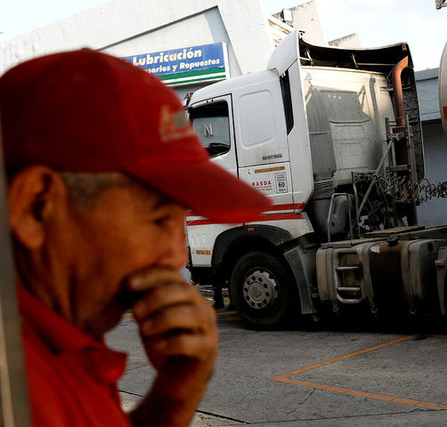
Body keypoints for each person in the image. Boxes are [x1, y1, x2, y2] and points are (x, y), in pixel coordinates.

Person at [0, 49, 271, 426]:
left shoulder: (65, 339)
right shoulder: (18, 386)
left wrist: (174, 396)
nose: (177, 256)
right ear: (37, 207)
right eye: (158, 219)